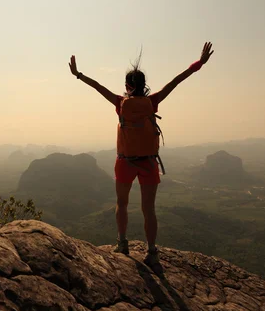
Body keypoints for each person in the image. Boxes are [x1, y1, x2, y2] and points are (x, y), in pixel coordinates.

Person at [68, 42, 215, 265]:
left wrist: (78, 74)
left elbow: (97, 86)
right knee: (149, 210)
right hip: (148, 163)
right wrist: (199, 64)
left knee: (122, 203)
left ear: (127, 85)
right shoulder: (152, 102)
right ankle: (152, 251)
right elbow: (176, 80)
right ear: (144, 85)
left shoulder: (120, 103)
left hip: (125, 162)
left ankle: (122, 244)